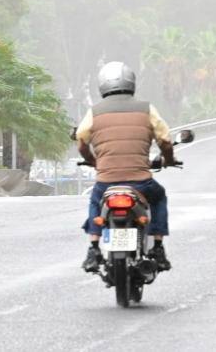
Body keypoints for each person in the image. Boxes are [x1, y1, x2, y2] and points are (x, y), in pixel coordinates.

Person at [77, 61, 177, 274]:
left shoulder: (94, 112)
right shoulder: (146, 109)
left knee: (96, 201)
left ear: (102, 85)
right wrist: (168, 159)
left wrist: (95, 161)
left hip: (106, 182)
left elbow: (81, 140)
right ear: (131, 82)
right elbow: (165, 140)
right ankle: (158, 247)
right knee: (159, 197)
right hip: (141, 182)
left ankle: (94, 247)